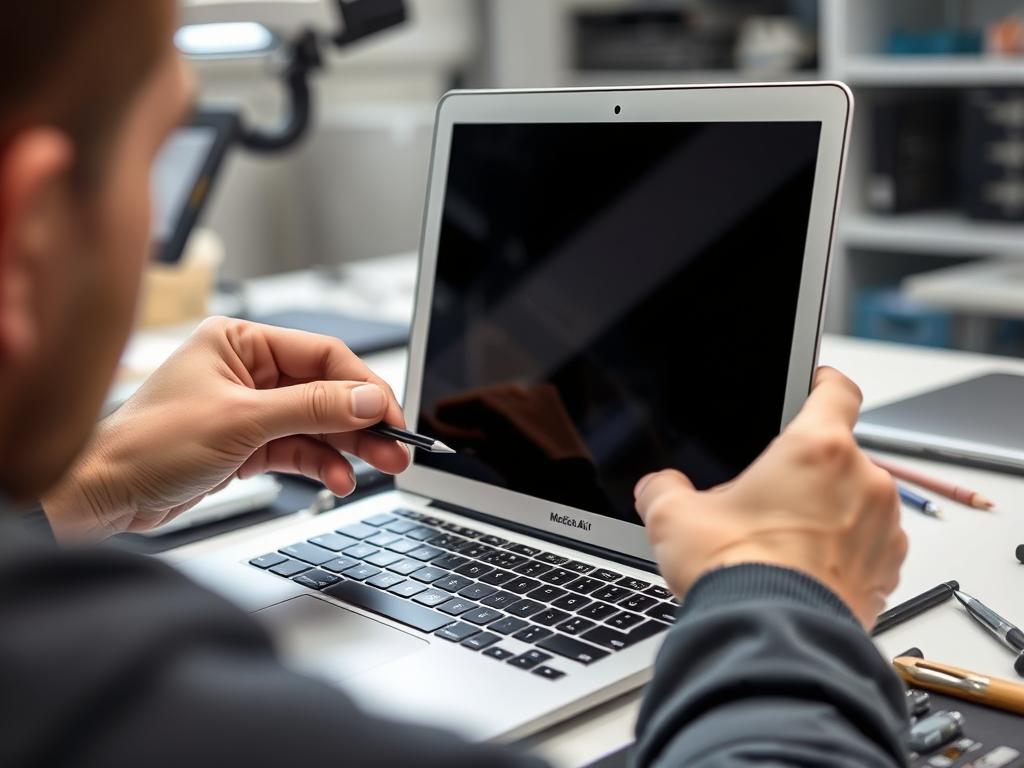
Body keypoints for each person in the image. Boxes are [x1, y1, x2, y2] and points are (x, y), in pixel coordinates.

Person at [0, 1, 911, 766]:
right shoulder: (120, 698)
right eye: (153, 154)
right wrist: (782, 597)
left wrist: (95, 482)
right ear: (30, 228)